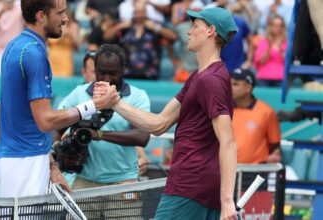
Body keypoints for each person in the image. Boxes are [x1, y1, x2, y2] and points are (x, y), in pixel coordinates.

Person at [94, 7, 238, 220]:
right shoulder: (201, 77)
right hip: (199, 183)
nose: (188, 31)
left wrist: (227, 202)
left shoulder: (211, 80)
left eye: (195, 26)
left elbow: (228, 142)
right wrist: (115, 102)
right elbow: (159, 123)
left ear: (211, 31)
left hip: (190, 184)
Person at [0, 0, 119, 198]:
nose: (66, 19)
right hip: (24, 163)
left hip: (19, 159)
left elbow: (31, 121)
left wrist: (51, 165)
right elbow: (45, 121)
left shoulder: (17, 45)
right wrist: (95, 105)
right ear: (41, 16)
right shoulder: (34, 53)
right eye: (60, 13)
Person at [58, 44, 151, 218]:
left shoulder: (137, 96)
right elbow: (55, 125)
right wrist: (59, 150)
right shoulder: (79, 93)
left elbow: (142, 136)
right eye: (101, 72)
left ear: (123, 69)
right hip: (85, 183)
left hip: (124, 184)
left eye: (113, 73)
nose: (107, 78)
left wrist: (99, 135)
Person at [230, 68, 281, 164]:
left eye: (235, 84)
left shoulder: (266, 112)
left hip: (255, 171)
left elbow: (275, 145)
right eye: (229, 84)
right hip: (225, 170)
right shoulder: (223, 111)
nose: (230, 87)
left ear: (248, 88)